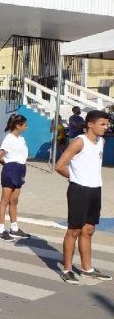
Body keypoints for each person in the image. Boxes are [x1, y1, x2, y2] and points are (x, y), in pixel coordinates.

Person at [55, 110, 111, 284]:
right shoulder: (79, 142)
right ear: (90, 124)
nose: (106, 127)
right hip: (79, 190)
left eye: (107, 124)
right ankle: (67, 269)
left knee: (89, 230)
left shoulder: (101, 141)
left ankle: (87, 269)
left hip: (95, 190)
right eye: (102, 124)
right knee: (74, 230)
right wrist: (75, 178)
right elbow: (60, 166)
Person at [0, 114, 30, 241]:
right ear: (17, 126)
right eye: (24, 125)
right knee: (5, 200)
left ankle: (14, 228)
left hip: (20, 169)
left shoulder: (21, 139)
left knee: (14, 200)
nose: (26, 127)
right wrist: (8, 164)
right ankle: (0, 230)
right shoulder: (9, 138)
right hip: (11, 169)